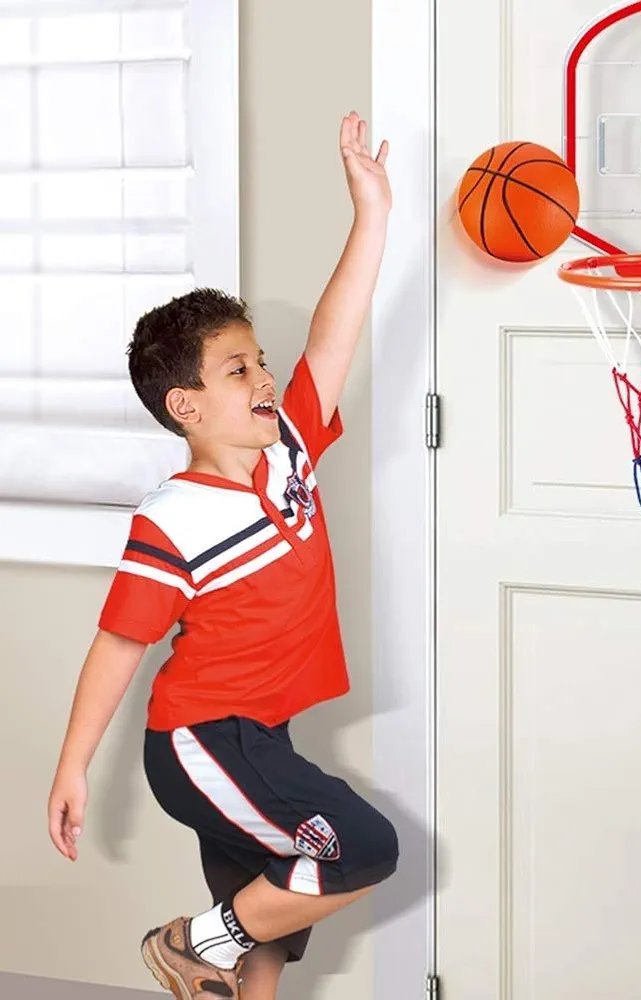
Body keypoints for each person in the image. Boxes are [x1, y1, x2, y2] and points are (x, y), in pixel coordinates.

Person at [46, 112, 397, 1000]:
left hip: (259, 732)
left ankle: (211, 949)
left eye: (260, 361)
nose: (265, 377)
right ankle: (185, 942)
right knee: (361, 848)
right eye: (238, 370)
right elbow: (120, 644)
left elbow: (336, 333)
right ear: (187, 406)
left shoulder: (291, 450)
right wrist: (74, 764)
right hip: (203, 739)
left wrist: (372, 216)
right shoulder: (173, 518)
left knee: (264, 937)